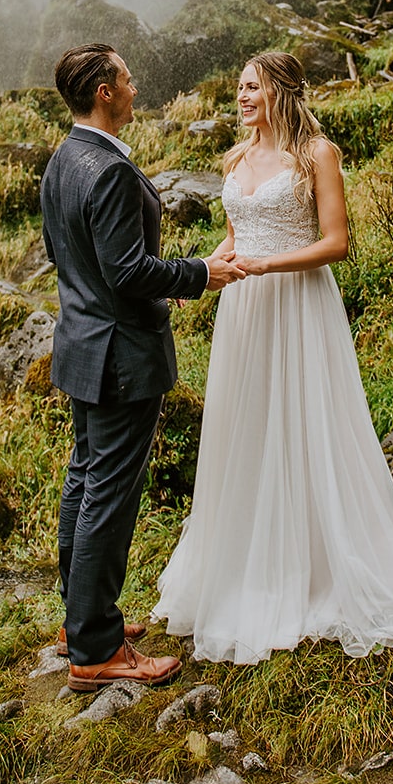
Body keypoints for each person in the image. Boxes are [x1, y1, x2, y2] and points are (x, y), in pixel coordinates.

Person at [153, 51, 393, 664]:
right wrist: (205, 271)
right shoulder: (236, 157)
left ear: (283, 91)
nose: (242, 97)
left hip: (298, 303)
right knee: (246, 429)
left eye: (253, 87)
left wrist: (270, 263)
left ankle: (317, 565)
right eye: (239, 87)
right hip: (243, 310)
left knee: (305, 423)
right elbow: (238, 233)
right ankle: (247, 569)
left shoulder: (317, 154)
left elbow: (336, 241)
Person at [41, 43, 244, 693]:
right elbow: (127, 271)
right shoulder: (109, 171)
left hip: (80, 343)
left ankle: (84, 622)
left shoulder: (61, 160)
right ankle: (96, 649)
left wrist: (159, 285)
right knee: (108, 495)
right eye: (126, 79)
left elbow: (72, 257)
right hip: (120, 355)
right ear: (103, 91)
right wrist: (199, 273)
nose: (135, 86)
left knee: (84, 480)